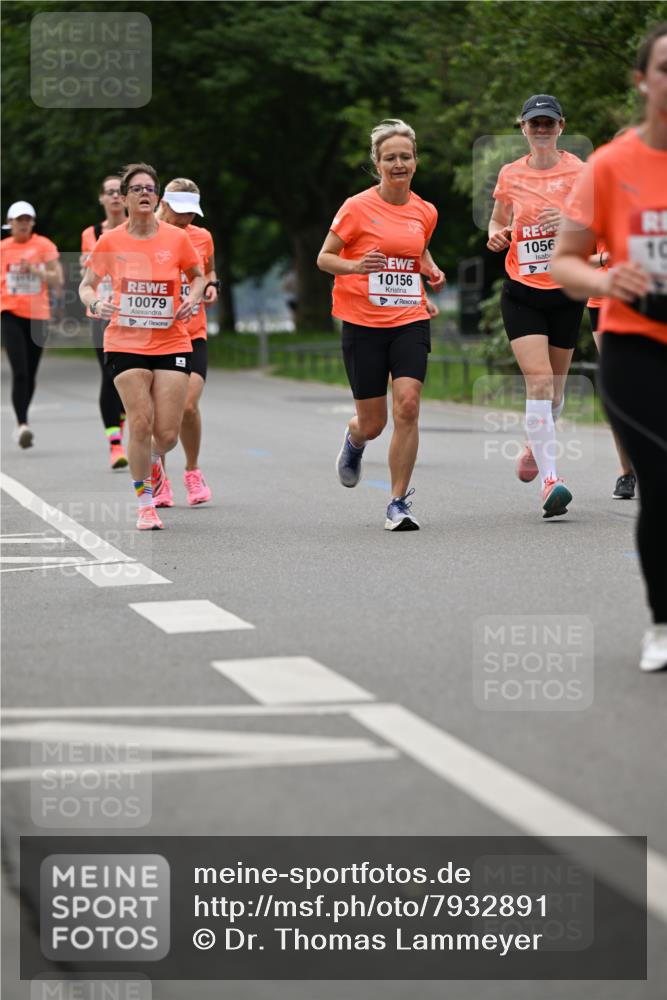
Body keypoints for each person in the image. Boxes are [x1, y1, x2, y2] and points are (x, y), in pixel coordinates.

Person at [552, 23, 667, 672]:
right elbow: (565, 262)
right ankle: (662, 621)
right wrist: (605, 279)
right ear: (641, 80)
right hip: (635, 343)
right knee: (662, 485)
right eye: (665, 67)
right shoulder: (611, 166)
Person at [317, 119, 445, 531]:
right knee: (374, 422)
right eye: (390, 158)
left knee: (407, 404)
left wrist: (431, 272)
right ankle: (355, 441)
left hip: (409, 318)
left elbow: (415, 253)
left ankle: (397, 502)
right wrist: (355, 266)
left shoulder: (425, 211)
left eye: (405, 157)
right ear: (377, 162)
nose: (398, 163)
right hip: (362, 322)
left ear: (415, 161)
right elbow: (324, 257)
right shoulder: (356, 207)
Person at [79, 163, 204, 530]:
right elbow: (87, 284)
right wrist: (97, 303)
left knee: (165, 434)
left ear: (158, 196)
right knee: (140, 421)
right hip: (124, 339)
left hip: (171, 338)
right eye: (136, 189)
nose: (144, 193)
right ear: (126, 197)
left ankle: (149, 460)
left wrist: (193, 298)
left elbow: (197, 277)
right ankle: (145, 502)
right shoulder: (111, 240)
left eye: (150, 188)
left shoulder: (176, 239)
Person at [487, 95, 586, 518]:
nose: (541, 129)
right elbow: (497, 218)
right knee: (540, 381)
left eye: (548, 123)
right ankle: (551, 480)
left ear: (561, 126)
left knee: (556, 392)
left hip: (565, 291)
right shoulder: (510, 174)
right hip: (522, 291)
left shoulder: (581, 172)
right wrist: (496, 234)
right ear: (523, 128)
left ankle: (535, 441)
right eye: (534, 124)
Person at [153, 178, 218, 506]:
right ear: (163, 204)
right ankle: (159, 478)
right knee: (158, 412)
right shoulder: (146, 234)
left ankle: (192, 471)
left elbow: (208, 271)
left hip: (192, 332)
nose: (185, 219)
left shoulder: (202, 237)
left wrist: (211, 286)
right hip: (155, 336)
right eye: (179, 212)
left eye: (191, 213)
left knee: (188, 405)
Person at [1, 200, 63, 448]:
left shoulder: (44, 245)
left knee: (32, 372)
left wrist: (36, 271)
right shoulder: (3, 248)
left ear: (33, 223)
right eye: (19, 220)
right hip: (9, 312)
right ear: (10, 223)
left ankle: (21, 422)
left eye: (28, 220)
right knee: (21, 370)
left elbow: (56, 278)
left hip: (38, 315)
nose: (24, 224)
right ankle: (22, 424)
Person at [81, 175, 128, 470]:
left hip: (133, 313)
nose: (113, 197)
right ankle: (114, 444)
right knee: (109, 374)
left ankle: (121, 427)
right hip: (100, 312)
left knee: (131, 376)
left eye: (118, 192)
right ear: (101, 198)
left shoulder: (136, 229)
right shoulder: (91, 233)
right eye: (108, 193)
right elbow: (88, 273)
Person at [588, 245, 635, 499]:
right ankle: (626, 471)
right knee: (619, 390)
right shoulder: (596, 208)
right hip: (604, 303)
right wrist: (606, 258)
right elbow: (575, 259)